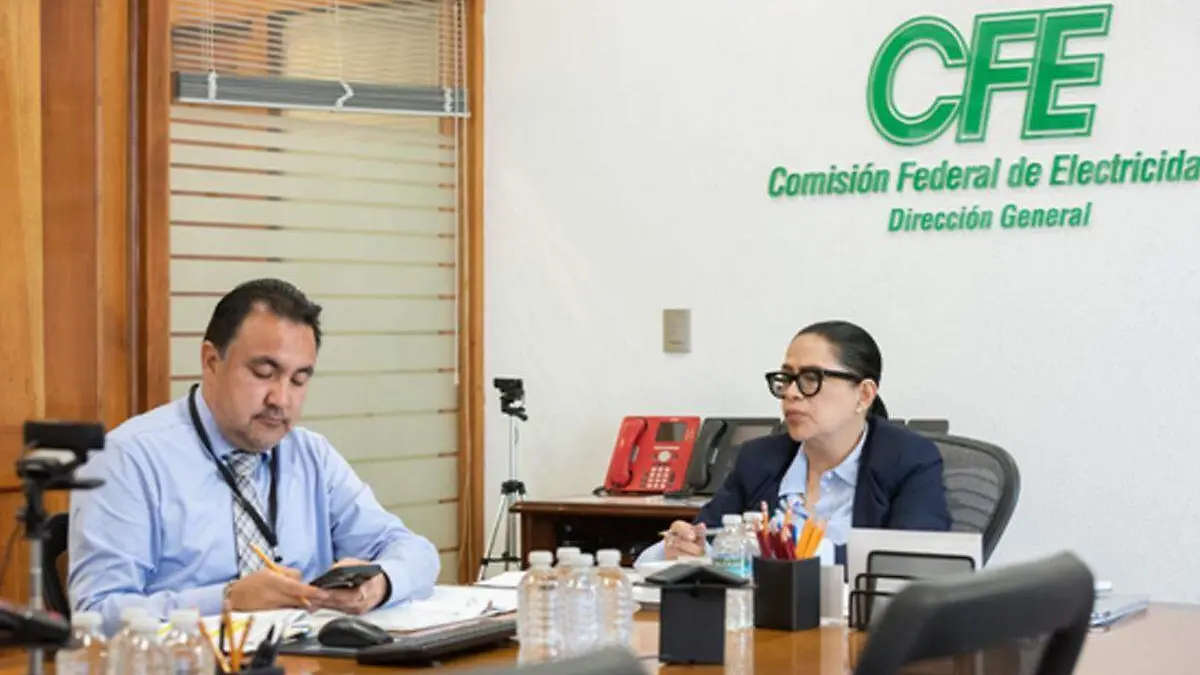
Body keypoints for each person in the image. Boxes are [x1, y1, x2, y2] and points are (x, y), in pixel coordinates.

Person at [69, 278, 440, 634]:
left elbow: (414, 551)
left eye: (299, 380)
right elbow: (96, 612)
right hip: (189, 663)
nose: (281, 399)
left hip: (310, 661)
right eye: (264, 373)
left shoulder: (310, 455)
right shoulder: (128, 458)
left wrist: (380, 583)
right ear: (211, 361)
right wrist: (227, 600)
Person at [636, 320, 950, 565]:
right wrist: (681, 547)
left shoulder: (909, 459)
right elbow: (704, 537)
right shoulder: (759, 459)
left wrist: (790, 553)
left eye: (811, 379)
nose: (791, 393)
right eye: (786, 379)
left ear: (864, 394)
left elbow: (911, 563)